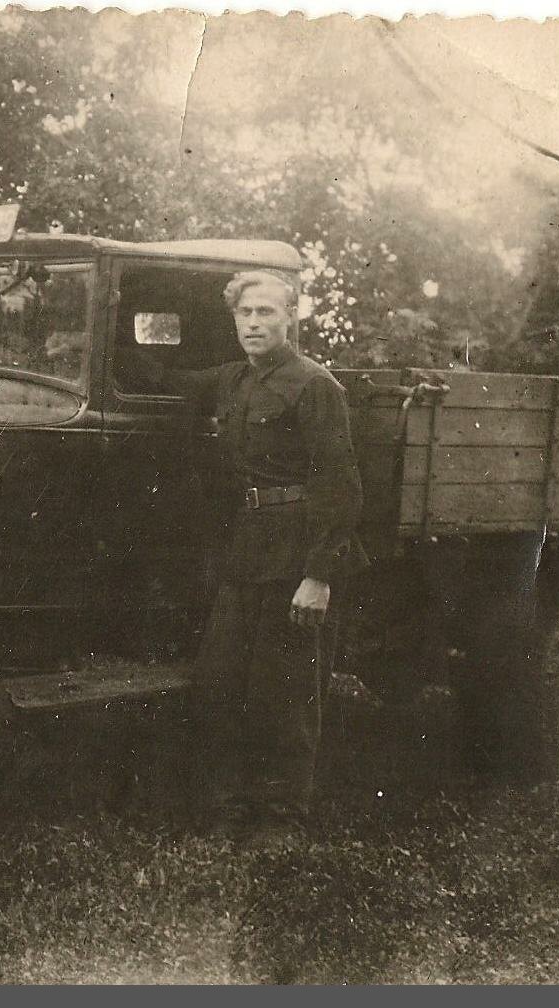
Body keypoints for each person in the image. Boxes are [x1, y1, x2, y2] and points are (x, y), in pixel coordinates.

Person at [180, 270, 366, 849]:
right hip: (247, 549)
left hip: (296, 551)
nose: (254, 323)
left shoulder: (314, 385)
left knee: (286, 690)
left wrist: (318, 575)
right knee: (222, 682)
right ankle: (230, 807)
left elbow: (340, 484)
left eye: (266, 312)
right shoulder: (235, 379)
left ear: (291, 317)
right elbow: (161, 377)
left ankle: (282, 817)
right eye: (245, 313)